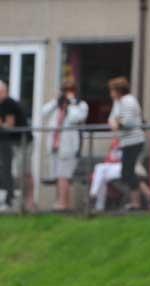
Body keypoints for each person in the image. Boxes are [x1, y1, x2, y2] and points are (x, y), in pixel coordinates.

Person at [42, 79, 88, 210]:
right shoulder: (57, 105)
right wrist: (55, 101)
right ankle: (59, 202)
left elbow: (75, 118)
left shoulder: (81, 105)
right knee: (57, 175)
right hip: (54, 144)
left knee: (64, 175)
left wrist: (71, 103)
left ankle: (64, 204)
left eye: (69, 90)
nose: (66, 93)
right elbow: (42, 112)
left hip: (69, 146)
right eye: (64, 91)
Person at [108, 77, 150, 211]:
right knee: (129, 172)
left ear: (118, 90)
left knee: (127, 173)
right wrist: (114, 121)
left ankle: (146, 195)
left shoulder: (127, 101)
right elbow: (112, 118)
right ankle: (137, 202)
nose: (111, 93)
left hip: (133, 141)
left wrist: (116, 123)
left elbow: (127, 121)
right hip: (127, 141)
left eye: (112, 90)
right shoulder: (120, 102)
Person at [0, 80, 35, 211]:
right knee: (9, 170)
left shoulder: (8, 103)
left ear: (3, 91)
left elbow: (9, 125)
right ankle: (13, 199)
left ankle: (28, 202)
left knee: (24, 172)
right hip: (11, 143)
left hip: (23, 142)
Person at [89, 137, 122, 211]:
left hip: (123, 168)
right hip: (112, 170)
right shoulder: (116, 142)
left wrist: (118, 149)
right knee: (101, 175)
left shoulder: (129, 142)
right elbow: (109, 160)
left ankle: (93, 194)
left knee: (99, 169)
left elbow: (119, 158)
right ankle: (99, 207)